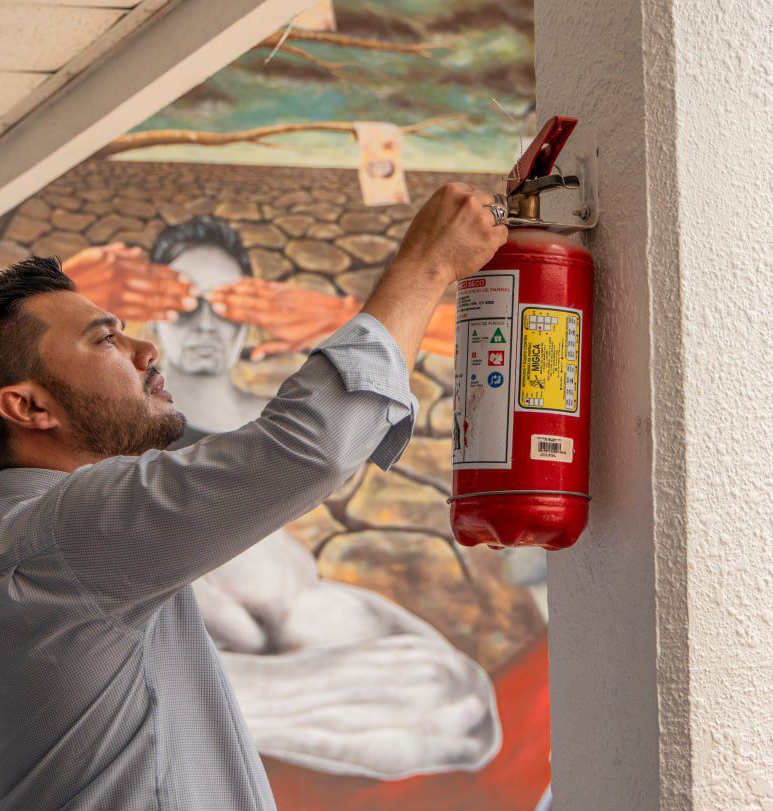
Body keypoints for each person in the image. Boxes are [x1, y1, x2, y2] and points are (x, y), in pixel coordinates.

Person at [0, 183, 507, 811]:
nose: (147, 351)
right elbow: (313, 445)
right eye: (106, 340)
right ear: (29, 407)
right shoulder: (62, 534)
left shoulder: (29, 552)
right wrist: (427, 264)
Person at [65, 216, 501, 781]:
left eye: (226, 304)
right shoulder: (108, 464)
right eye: (181, 303)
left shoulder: (283, 430)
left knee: (461, 699)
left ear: (250, 317)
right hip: (173, 663)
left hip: (255, 648)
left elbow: (459, 706)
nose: (205, 323)